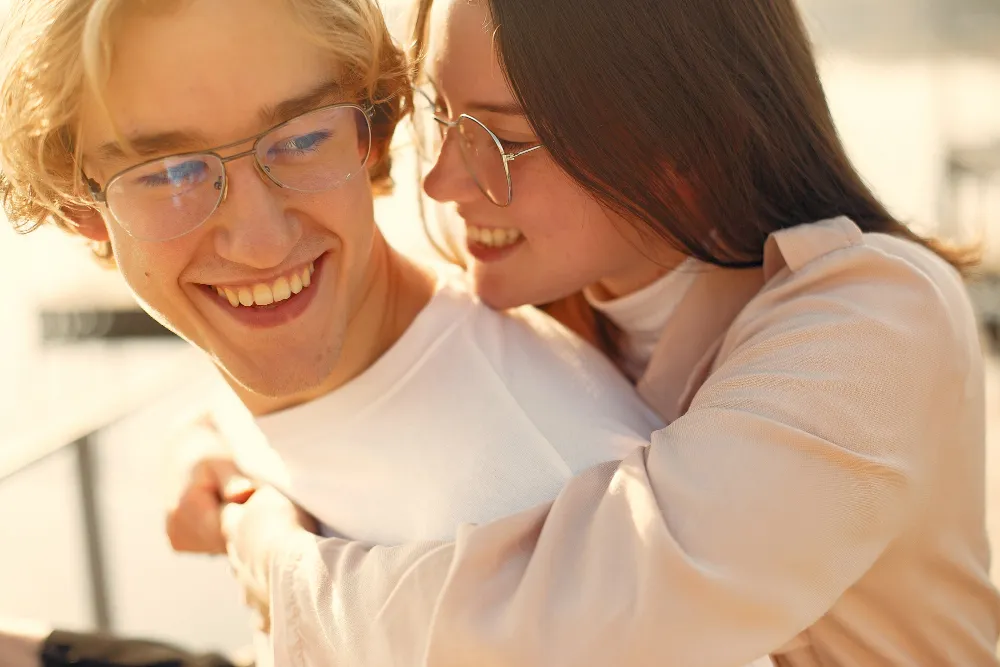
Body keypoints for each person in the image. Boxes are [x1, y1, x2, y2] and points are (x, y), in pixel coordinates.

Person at [209, 0, 1000, 665]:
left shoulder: (876, 321)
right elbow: (340, 350)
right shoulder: (541, 278)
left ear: (684, 143)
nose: (443, 179)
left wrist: (282, 570)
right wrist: (221, 457)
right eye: (442, 116)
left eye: (504, 139)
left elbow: (595, 624)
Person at [0, 0, 689, 665]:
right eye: (170, 172)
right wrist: (202, 440)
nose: (261, 243)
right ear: (79, 206)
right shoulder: (321, 359)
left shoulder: (548, 492)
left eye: (302, 138)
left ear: (374, 133)